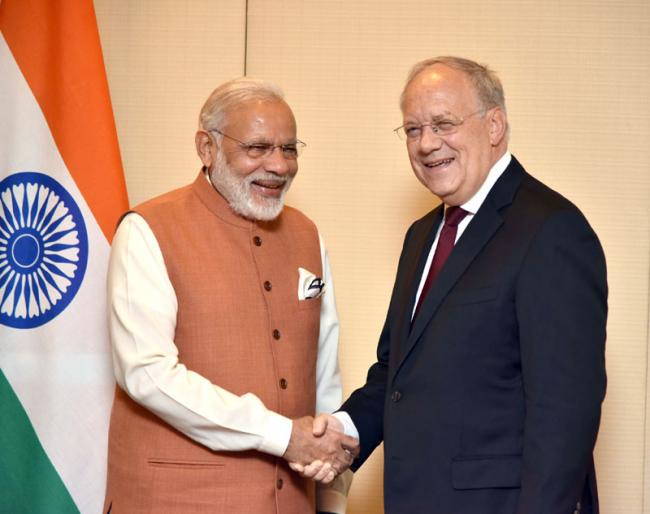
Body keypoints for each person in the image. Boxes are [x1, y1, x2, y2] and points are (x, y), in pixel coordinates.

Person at [302, 56, 608, 514]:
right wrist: (345, 429)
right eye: (413, 129)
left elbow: (564, 413)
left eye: (444, 124)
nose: (427, 144)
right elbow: (396, 372)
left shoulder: (551, 230)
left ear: (494, 126)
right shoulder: (422, 235)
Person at [103, 77, 358, 514]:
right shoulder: (147, 230)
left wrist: (331, 498)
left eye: (289, 149)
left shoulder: (307, 234)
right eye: (257, 148)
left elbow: (324, 377)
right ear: (207, 147)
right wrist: (282, 436)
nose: (278, 165)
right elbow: (147, 372)